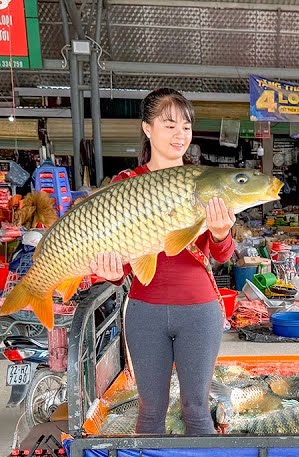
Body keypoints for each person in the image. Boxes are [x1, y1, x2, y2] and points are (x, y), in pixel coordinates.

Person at [88, 89, 236, 435]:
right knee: (150, 411)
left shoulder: (203, 180)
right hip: (145, 312)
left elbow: (223, 255)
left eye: (186, 126)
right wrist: (112, 273)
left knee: (196, 410)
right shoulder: (126, 184)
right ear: (147, 129)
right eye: (169, 124)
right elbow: (121, 258)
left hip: (200, 311)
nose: (180, 134)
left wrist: (220, 232)